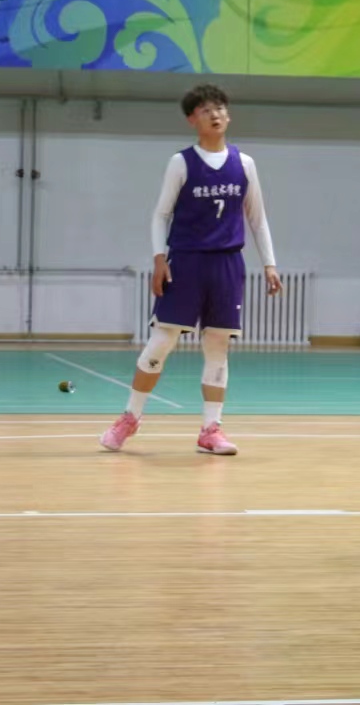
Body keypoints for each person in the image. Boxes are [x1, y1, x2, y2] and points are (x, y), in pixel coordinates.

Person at [101, 84, 281, 458]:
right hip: (186, 261)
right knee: (161, 342)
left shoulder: (245, 164)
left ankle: (210, 429)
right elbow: (161, 214)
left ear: (228, 115)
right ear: (191, 120)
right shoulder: (181, 163)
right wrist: (159, 258)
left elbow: (257, 218)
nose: (214, 115)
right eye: (205, 110)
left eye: (219, 108)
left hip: (227, 263)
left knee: (217, 348)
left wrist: (270, 263)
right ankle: (130, 418)